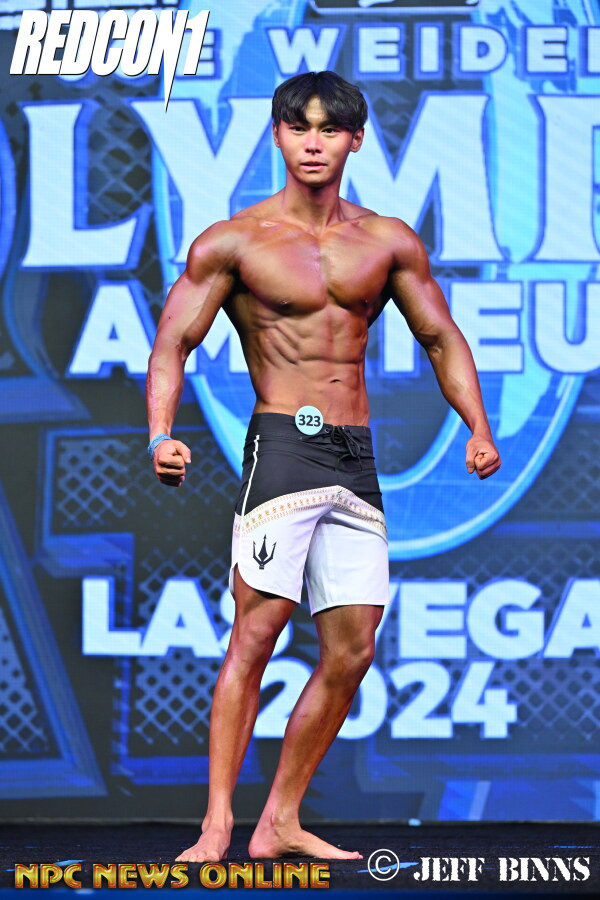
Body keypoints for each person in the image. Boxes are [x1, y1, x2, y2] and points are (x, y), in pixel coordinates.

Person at [146, 70, 501, 862]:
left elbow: (440, 337)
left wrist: (477, 425)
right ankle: (216, 825)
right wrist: (160, 434)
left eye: (330, 129)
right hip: (284, 446)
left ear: (355, 140)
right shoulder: (234, 242)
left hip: (354, 455)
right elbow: (173, 343)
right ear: (278, 135)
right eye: (299, 127)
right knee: (257, 633)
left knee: (353, 648)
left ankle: (280, 819)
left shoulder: (388, 240)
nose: (314, 143)